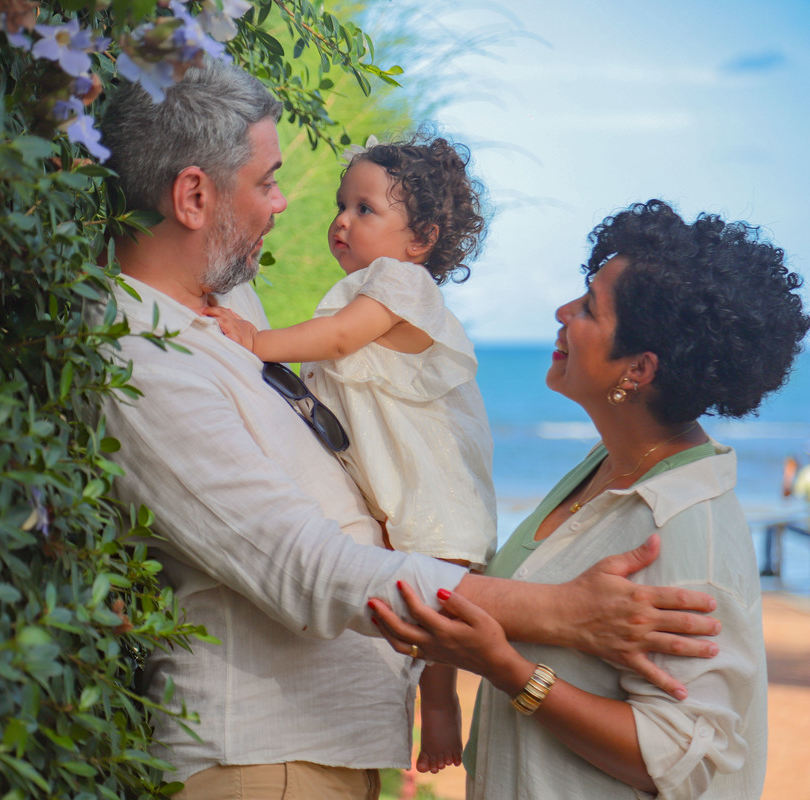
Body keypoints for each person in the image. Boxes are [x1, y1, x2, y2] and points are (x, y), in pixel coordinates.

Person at [97, 61, 719, 800]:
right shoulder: (144, 353)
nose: (285, 203)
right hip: (261, 760)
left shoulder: (225, 306)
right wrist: (559, 612)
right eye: (266, 181)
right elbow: (302, 566)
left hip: (318, 753)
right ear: (194, 196)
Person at [372, 200, 810, 799]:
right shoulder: (606, 468)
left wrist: (506, 669)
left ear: (638, 369)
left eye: (588, 309)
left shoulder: (681, 525)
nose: (561, 313)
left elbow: (681, 759)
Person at [205, 132, 494, 776]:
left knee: (437, 608)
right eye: (342, 205)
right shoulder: (370, 287)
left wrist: (256, 339)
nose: (341, 221)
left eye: (366, 210)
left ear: (420, 239)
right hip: (399, 488)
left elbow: (336, 341)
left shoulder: (401, 282)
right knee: (427, 610)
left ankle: (442, 709)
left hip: (433, 485)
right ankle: (436, 705)